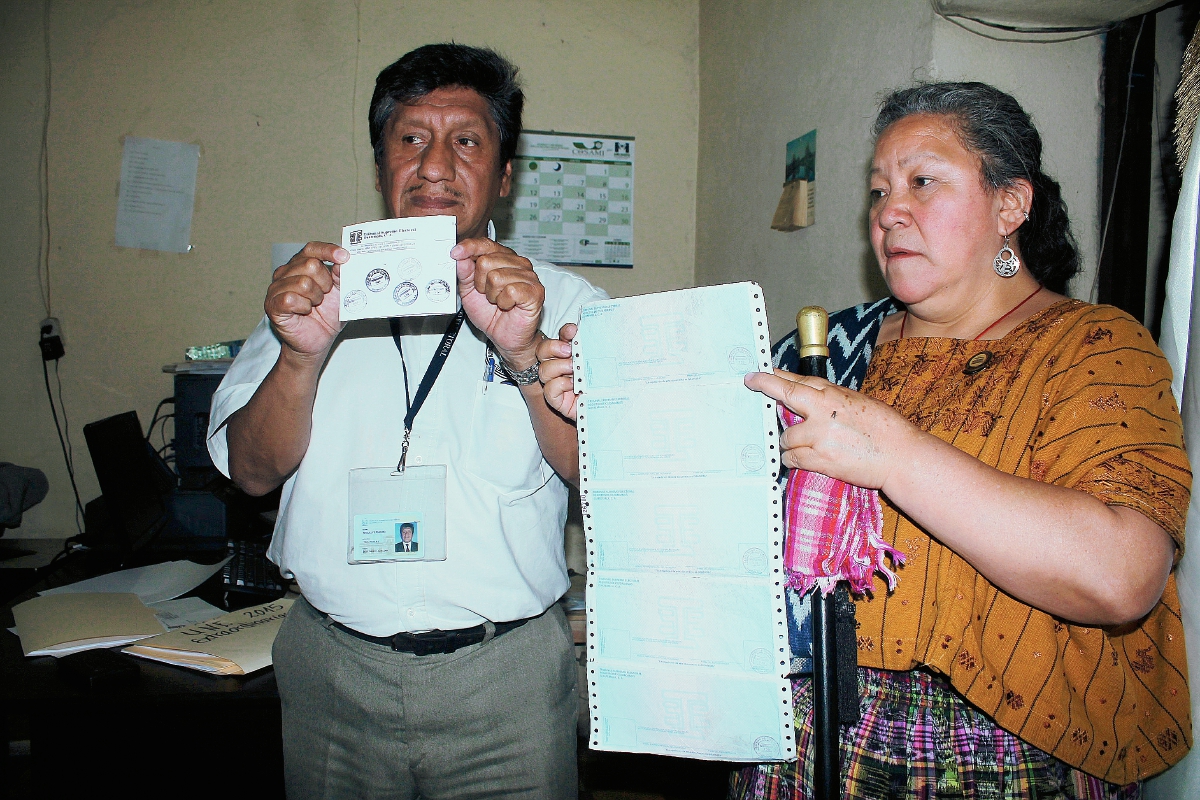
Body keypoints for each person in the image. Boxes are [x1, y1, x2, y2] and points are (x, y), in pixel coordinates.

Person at [540, 82, 1192, 799]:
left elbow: (1122, 577)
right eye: (879, 191)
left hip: (995, 760)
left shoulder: (1090, 349)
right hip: (800, 738)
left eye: (922, 182)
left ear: (1010, 204)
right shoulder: (829, 351)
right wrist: (596, 413)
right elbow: (687, 509)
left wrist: (892, 453)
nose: (889, 212)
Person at [207, 43, 606, 799]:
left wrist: (525, 353)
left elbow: (606, 476)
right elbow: (250, 471)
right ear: (383, 164)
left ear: (505, 175)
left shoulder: (570, 305)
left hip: (507, 681)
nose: (434, 165)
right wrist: (300, 357)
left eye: (466, 141)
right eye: (410, 139)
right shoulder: (312, 295)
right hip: (332, 672)